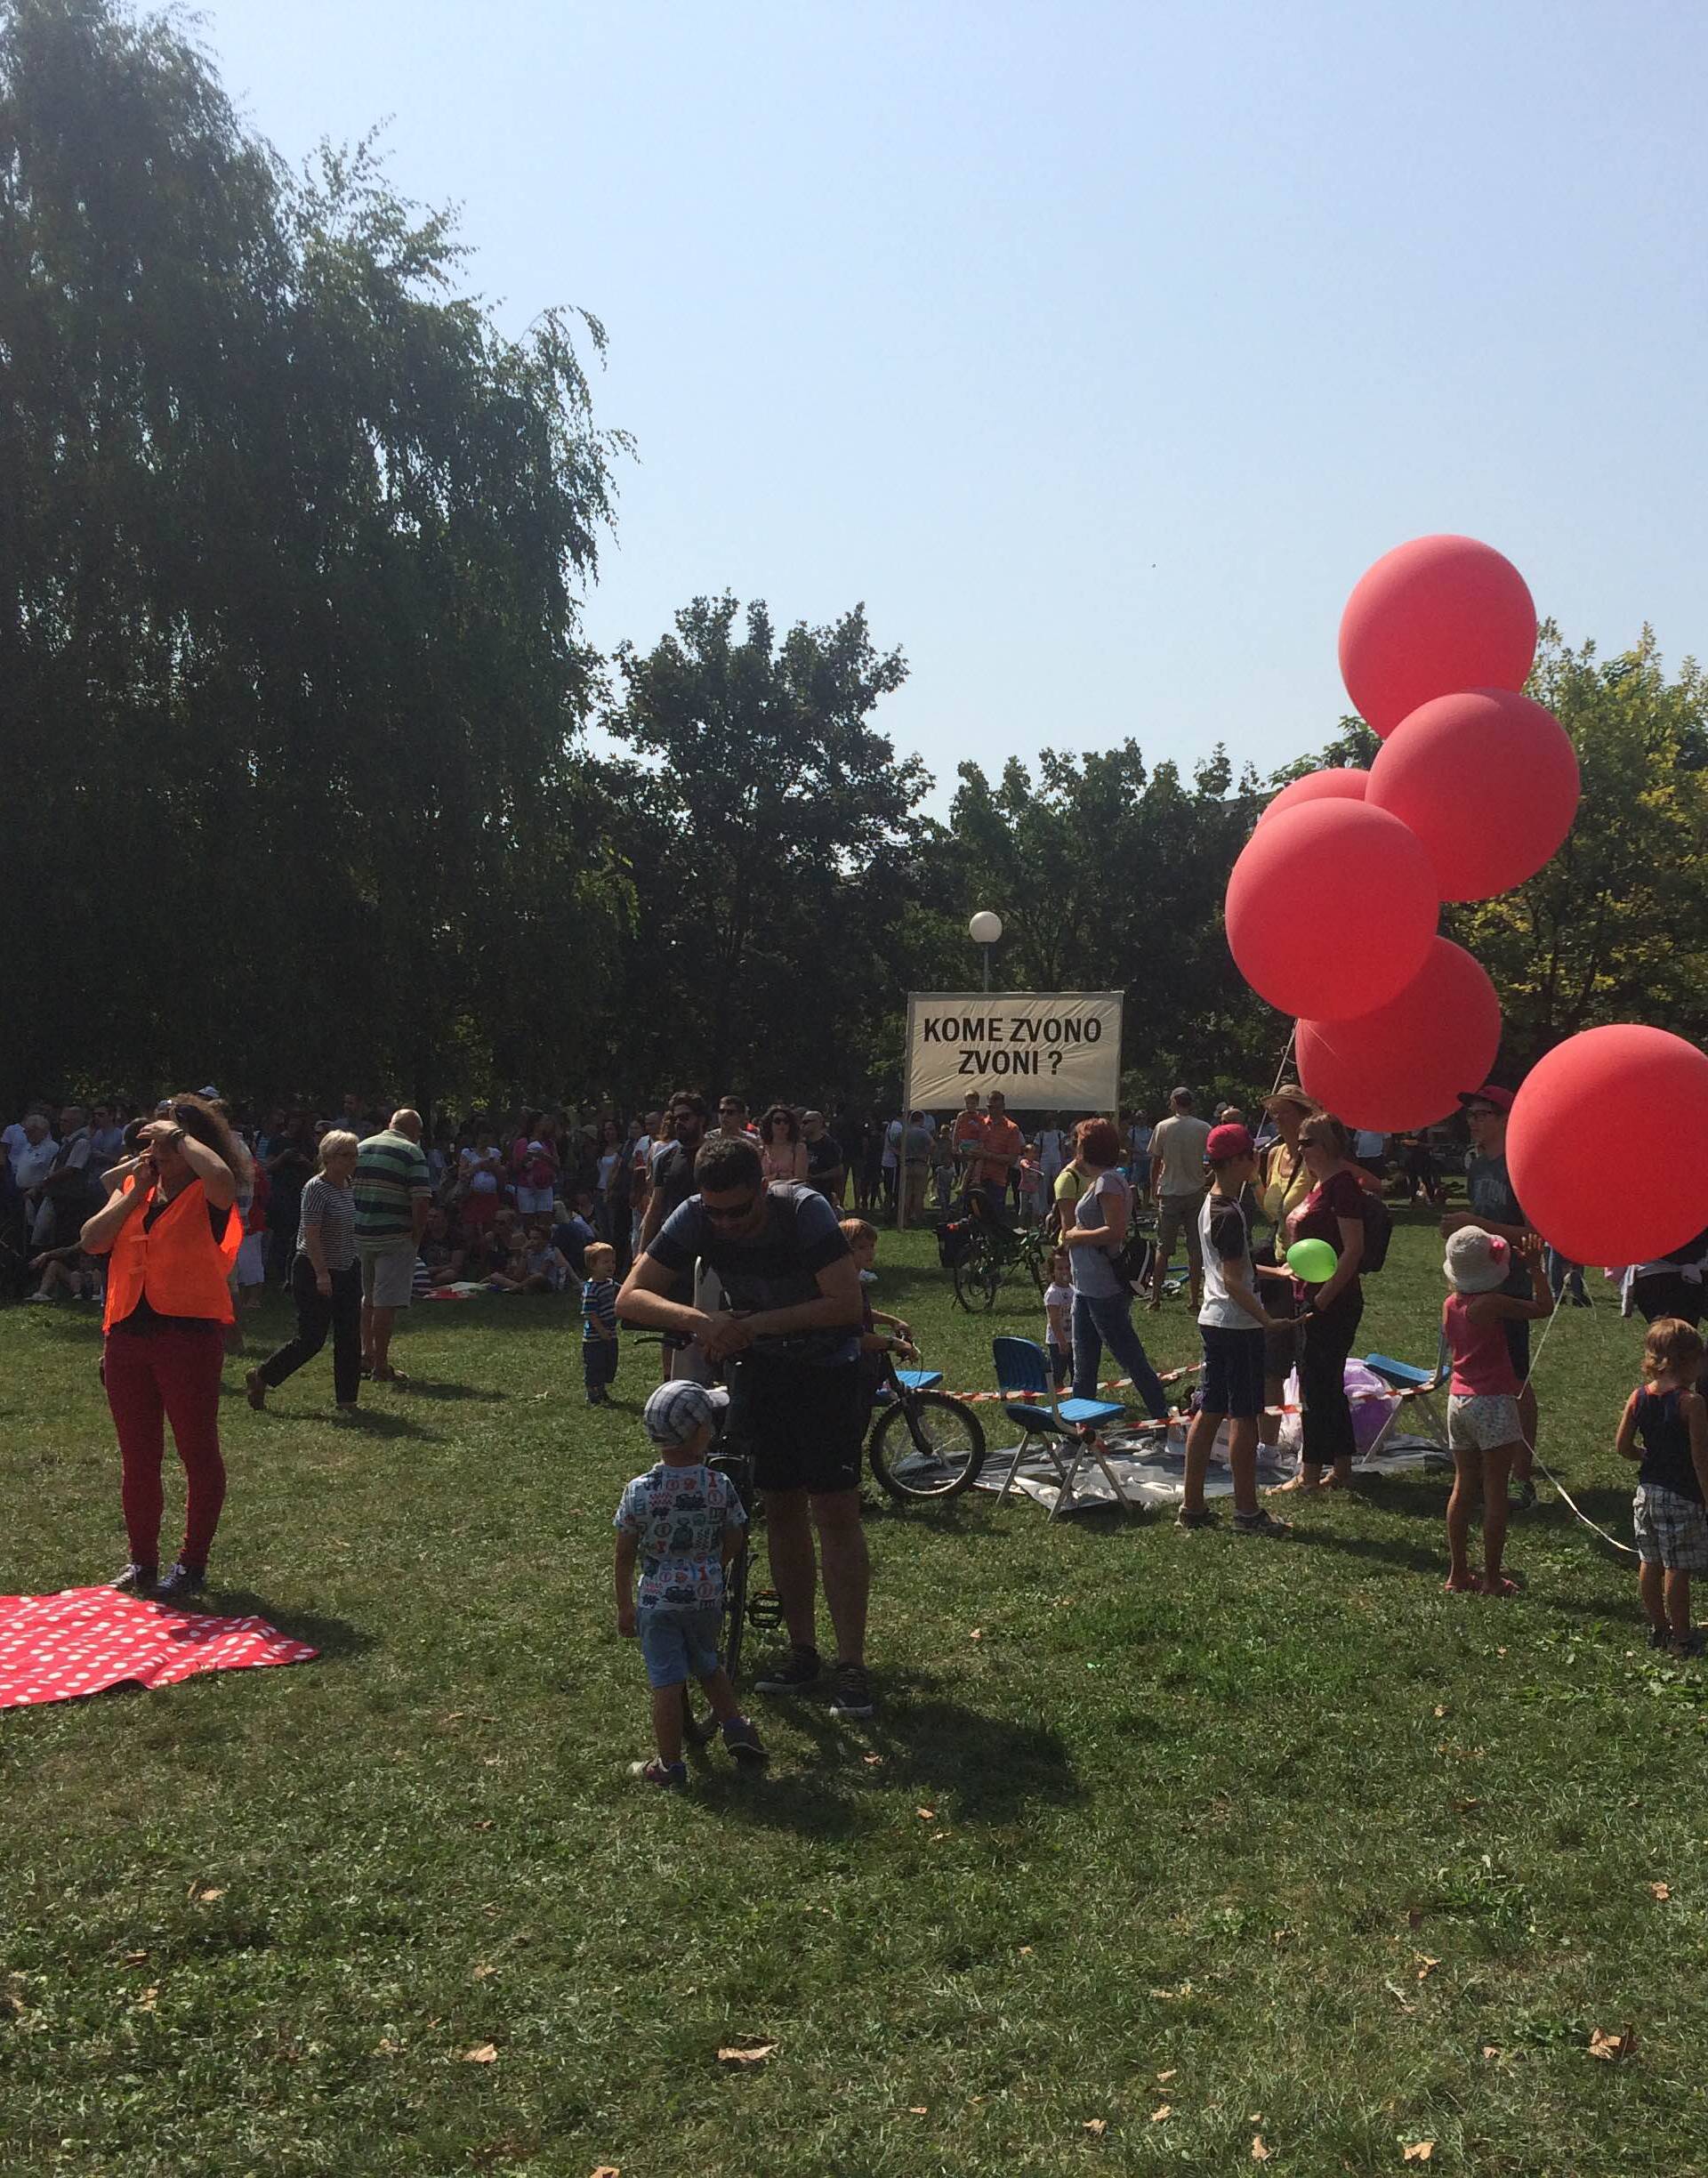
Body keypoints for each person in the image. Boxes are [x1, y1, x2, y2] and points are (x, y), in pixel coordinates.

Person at [616, 1133, 873, 1717]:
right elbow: (631, 1297)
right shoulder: (696, 1214)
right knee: (780, 1508)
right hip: (764, 1373)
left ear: (762, 1188)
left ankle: (852, 1664)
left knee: (834, 1511)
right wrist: (705, 1321)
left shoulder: (805, 1210)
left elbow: (844, 1304)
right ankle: (803, 1650)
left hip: (829, 1370)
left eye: (739, 1210)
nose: (726, 1224)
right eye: (716, 1212)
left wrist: (753, 1325)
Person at [79, 1097, 245, 1600]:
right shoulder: (134, 1189)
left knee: (198, 1453)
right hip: (127, 1336)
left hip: (187, 1337)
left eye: (166, 1144)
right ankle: (142, 1563)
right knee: (138, 1456)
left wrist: (181, 1137)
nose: (157, 1152)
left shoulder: (208, 1191)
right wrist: (135, 1192)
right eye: (152, 1144)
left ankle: (191, 1565)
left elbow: (223, 1177)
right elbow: (91, 1240)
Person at [614, 1380, 769, 1787]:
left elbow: (625, 1551)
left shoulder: (639, 1493)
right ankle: (735, 1727)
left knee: (666, 1680)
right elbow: (736, 1533)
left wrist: (624, 1605)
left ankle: (669, 1766)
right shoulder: (719, 1486)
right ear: (703, 1432)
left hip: (658, 1603)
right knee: (708, 1663)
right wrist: (716, 1564)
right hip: (706, 1595)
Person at [1179, 1123, 1294, 1537]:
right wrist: (1267, 1321)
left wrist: (1276, 1271)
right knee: (1245, 1417)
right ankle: (1247, 1512)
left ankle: (1192, 1508)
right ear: (1237, 1161)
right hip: (1236, 1324)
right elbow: (1231, 1280)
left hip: (1216, 1320)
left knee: (1209, 1411)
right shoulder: (1228, 1212)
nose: (1258, 1160)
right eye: (1252, 1154)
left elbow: (1237, 1266)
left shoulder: (1215, 1204)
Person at [1438, 1227, 1553, 1595]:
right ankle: (1491, 1577)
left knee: (1463, 1486)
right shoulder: (1491, 1303)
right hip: (1492, 1402)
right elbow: (1543, 1308)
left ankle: (1458, 1573)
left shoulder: (1451, 1303)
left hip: (1458, 1400)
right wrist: (1537, 1268)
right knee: (1496, 1490)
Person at [1442, 1085, 1539, 1505]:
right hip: (1477, 1289)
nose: (1474, 1121)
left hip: (1513, 1286)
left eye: (1483, 1114)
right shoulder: (1478, 1167)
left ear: (1504, 1119)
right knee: (1486, 1377)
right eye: (1471, 1115)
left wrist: (1476, 1223)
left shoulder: (1519, 1168)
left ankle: (1522, 1475)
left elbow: (1536, 1235)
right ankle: (1489, 1463)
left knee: (1516, 1380)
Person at [1274, 1114, 1366, 1494]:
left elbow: (1354, 1249)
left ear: (1327, 1144)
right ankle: (1342, 1467)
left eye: (1307, 1140)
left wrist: (1325, 1297)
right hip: (1309, 1297)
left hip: (1331, 1303)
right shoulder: (1318, 1186)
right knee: (1324, 1385)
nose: (1299, 1147)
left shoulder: (1342, 1187)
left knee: (1316, 1387)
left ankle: (1310, 1473)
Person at [1057, 1117, 1171, 1426]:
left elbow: (1115, 1231)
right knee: (1084, 1364)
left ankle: (1162, 1419)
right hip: (1086, 1286)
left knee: (1130, 1358)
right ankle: (1081, 1427)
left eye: (1078, 1141)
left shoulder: (1108, 1181)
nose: (1074, 1146)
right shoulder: (1100, 1180)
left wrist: (1074, 1236)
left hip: (1104, 1288)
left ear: (1088, 1147)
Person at [246, 1130, 362, 1415]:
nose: (352, 1161)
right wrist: (322, 1274)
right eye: (346, 1155)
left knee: (349, 1336)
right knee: (312, 1339)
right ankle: (262, 1376)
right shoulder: (315, 1187)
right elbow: (311, 1235)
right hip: (313, 1269)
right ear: (328, 1157)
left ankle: (347, 1400)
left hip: (347, 1267)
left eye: (354, 1155)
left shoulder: (348, 1184)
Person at [1616, 1318, 1708, 1657]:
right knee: (1677, 1568)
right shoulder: (1691, 1403)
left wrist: (1644, 1454)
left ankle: (1658, 1627)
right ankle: (1682, 1637)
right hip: (1682, 1495)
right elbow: (1701, 1458)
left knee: (1649, 1560)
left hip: (1647, 1492)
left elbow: (1622, 1446)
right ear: (1686, 1361)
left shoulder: (1638, 1396)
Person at [1253, 1086, 1318, 1459]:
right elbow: (1270, 1209)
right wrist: (1253, 1180)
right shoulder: (1275, 1154)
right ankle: (1269, 1444)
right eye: (1274, 1113)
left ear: (1301, 1116)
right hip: (1280, 1263)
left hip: (1310, 1268)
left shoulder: (1315, 1159)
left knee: (1309, 1362)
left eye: (1283, 1113)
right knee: (1272, 1360)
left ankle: (1315, 1443)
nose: (1277, 1119)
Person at [352, 1109, 432, 1386]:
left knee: (368, 1297)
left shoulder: (361, 1147)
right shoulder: (412, 1152)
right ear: (415, 1130)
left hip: (362, 1233)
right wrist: (417, 1235)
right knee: (386, 1301)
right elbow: (421, 1199)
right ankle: (380, 1365)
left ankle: (366, 1353)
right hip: (395, 1236)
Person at [1148, 1087, 1211, 1312]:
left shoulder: (1163, 1127)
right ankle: (1194, 1299)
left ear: (1175, 1101)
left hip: (1170, 1192)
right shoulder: (1203, 1127)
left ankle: (1155, 1299)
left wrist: (1153, 1187)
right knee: (1195, 1249)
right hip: (1195, 1191)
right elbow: (1214, 1156)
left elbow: (1156, 1161)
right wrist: (1207, 1177)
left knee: (1163, 1248)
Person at [974, 1091, 1023, 1224]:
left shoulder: (1012, 1128)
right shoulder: (981, 1124)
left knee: (994, 1219)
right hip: (977, 1178)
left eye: (996, 1107)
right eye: (990, 1107)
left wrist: (987, 1155)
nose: (993, 1110)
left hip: (997, 1180)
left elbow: (1012, 1159)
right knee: (976, 1217)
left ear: (1003, 1107)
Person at [582, 1241, 621, 1405]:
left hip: (611, 1332)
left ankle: (602, 1388)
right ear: (593, 1265)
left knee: (609, 1362)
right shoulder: (591, 1288)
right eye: (605, 1262)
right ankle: (592, 1390)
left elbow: (623, 1290)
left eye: (612, 1262)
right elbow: (589, 1313)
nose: (610, 1265)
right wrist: (601, 1330)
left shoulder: (610, 1284)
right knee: (595, 1364)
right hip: (594, 1337)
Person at [1043, 1246, 1074, 1389]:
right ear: (1052, 1272)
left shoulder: (1073, 1290)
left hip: (1073, 1338)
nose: (1064, 1272)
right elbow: (1054, 1320)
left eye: (1067, 1267)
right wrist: (1062, 1341)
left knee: (1076, 1369)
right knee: (1058, 1371)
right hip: (1057, 1341)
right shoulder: (1053, 1293)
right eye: (1060, 1268)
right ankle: (1056, 1392)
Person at [802, 1109, 846, 1206]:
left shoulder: (829, 1145)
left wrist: (817, 1176)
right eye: (802, 1122)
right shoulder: (801, 1145)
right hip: (803, 1193)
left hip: (822, 1194)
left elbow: (838, 1170)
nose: (803, 1125)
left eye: (806, 1122)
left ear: (818, 1123)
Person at [758, 1103, 809, 1184]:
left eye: (786, 1121)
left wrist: (771, 1180)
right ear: (769, 1124)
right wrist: (778, 1176)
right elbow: (757, 1179)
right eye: (777, 1121)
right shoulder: (761, 1149)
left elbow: (800, 1178)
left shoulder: (799, 1148)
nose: (782, 1124)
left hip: (791, 1192)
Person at [899, 1109, 933, 1222]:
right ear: (921, 1119)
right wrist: (926, 1153)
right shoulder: (923, 1132)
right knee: (919, 1193)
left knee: (907, 1193)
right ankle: (918, 1216)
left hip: (907, 1164)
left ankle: (905, 1217)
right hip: (920, 1163)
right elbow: (933, 1145)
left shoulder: (905, 1132)